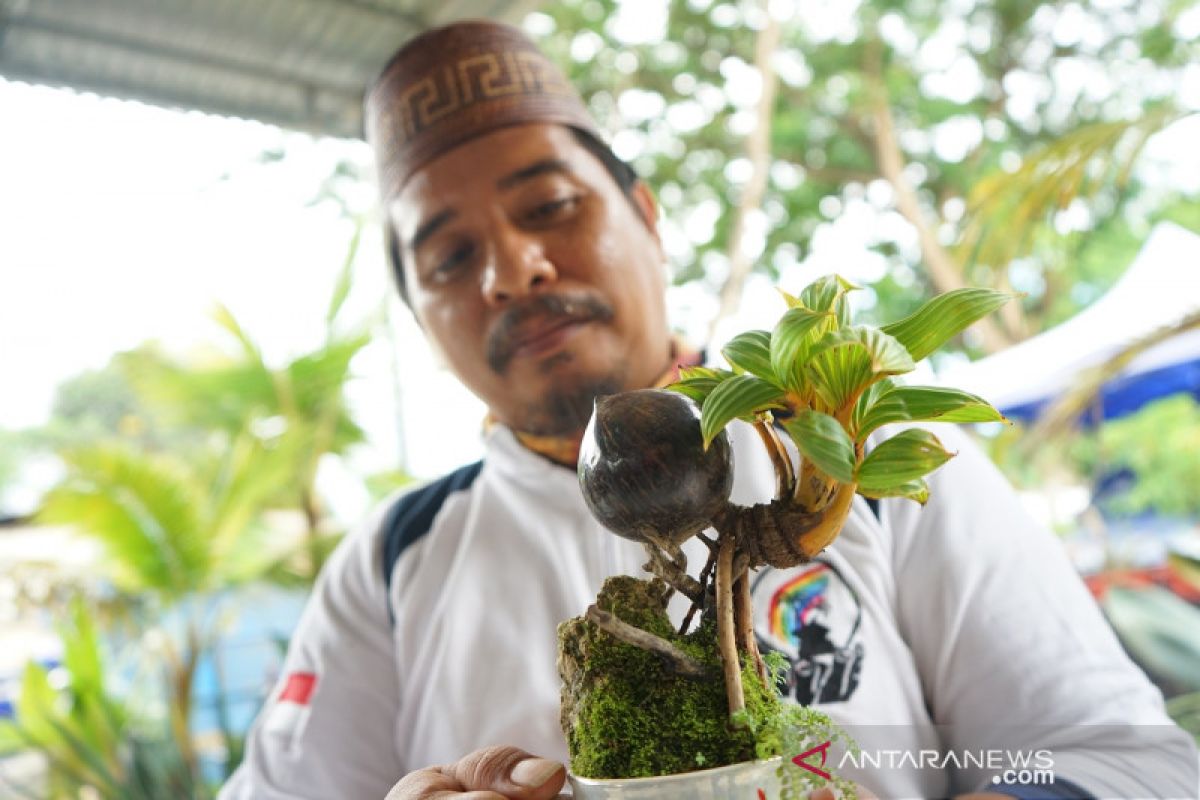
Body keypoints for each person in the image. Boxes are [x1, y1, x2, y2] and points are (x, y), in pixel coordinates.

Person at [220, 19, 1198, 800]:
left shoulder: (861, 456)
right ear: (423, 321)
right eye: (447, 258)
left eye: (551, 205)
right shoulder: (394, 559)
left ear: (647, 219)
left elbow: (1131, 760)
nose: (514, 268)